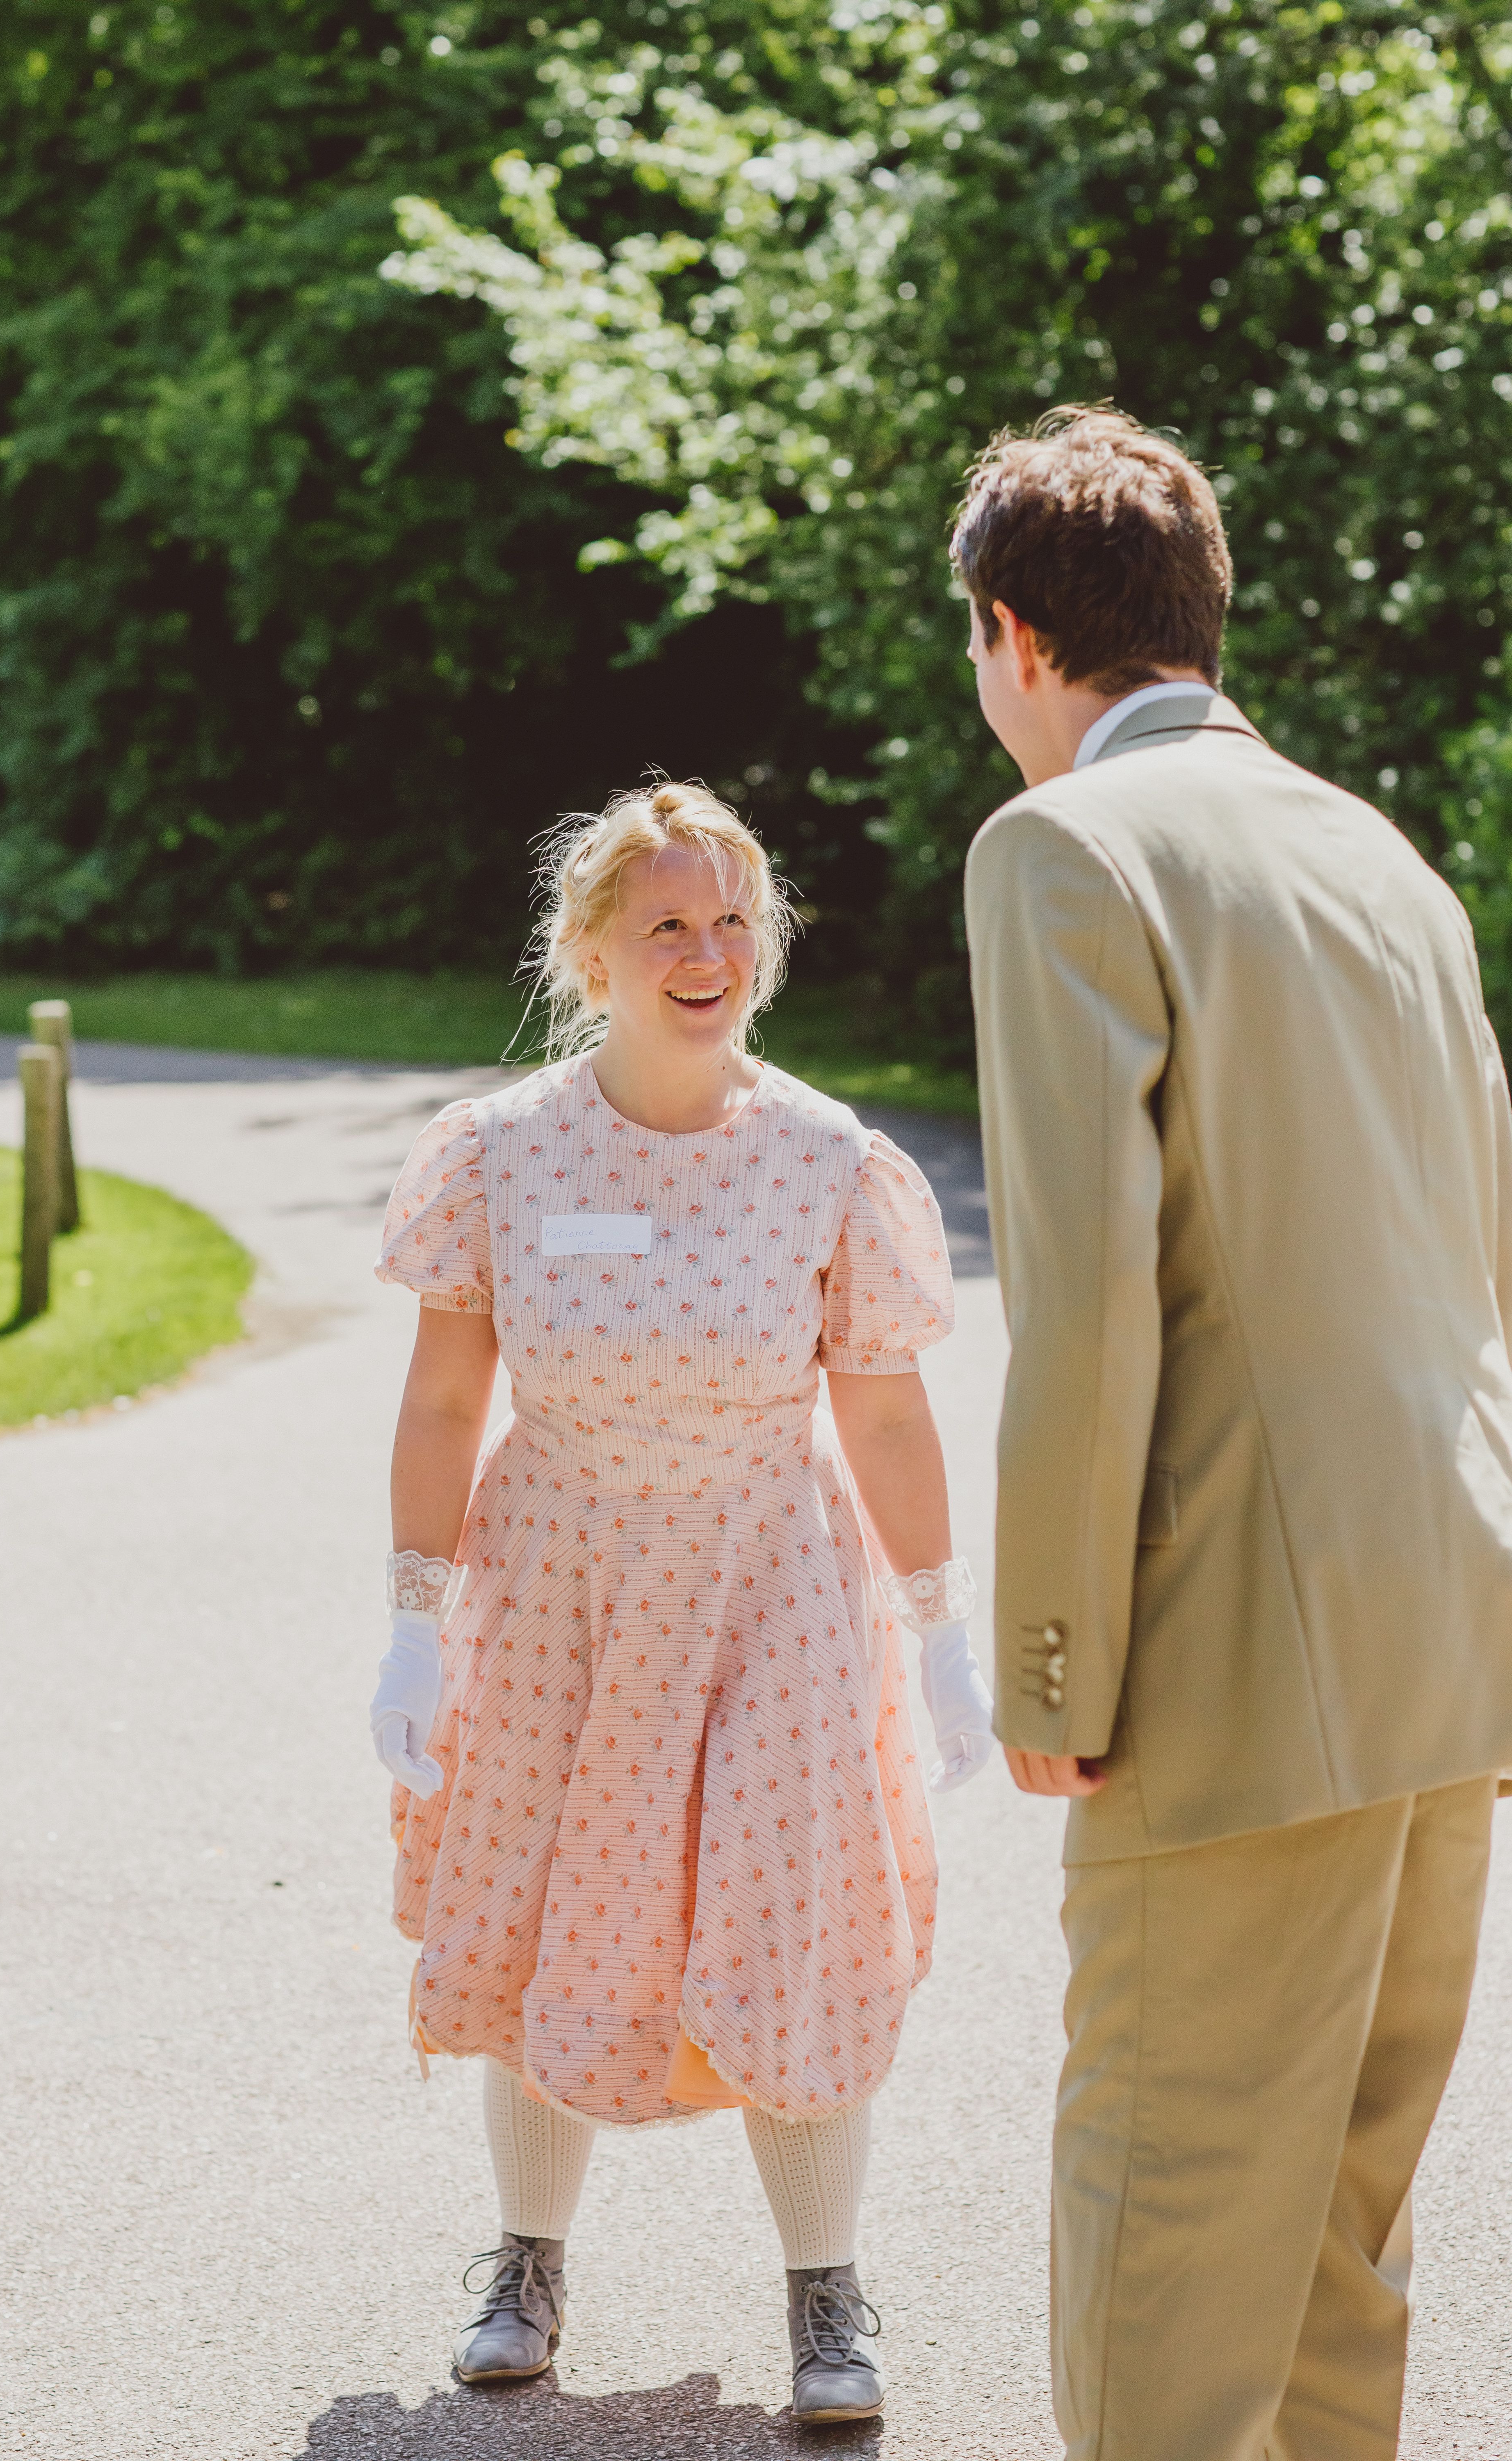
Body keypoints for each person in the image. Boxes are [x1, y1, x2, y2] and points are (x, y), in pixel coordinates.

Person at [958, 406, 1512, 2461]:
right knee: (1332, 2247)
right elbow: (1487, 1237)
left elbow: (1088, 1307)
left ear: (1017, 636)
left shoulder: (1064, 851)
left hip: (1233, 1650)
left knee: (1167, 2223)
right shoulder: (1383, 849)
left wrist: (1050, 1666)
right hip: (1449, 1622)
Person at [367, 781, 994, 2421]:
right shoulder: (496, 1157)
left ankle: (826, 2297)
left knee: (796, 1926)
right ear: (591, 955)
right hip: (558, 1578)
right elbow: (444, 1406)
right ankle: (525, 2262)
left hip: (771, 1586)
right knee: (535, 1901)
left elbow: (882, 1409)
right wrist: (411, 1618)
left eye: (734, 923)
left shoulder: (825, 1160)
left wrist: (939, 1631)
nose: (707, 955)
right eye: (667, 926)